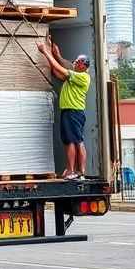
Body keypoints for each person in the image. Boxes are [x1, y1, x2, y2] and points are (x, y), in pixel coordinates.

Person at [37, 37, 91, 180]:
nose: (75, 63)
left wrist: (45, 52)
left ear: (84, 66)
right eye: (76, 61)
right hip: (69, 111)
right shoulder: (73, 77)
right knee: (71, 141)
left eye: (78, 62)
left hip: (73, 111)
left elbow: (61, 68)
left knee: (74, 141)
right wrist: (53, 53)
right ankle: (72, 169)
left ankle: (75, 171)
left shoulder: (82, 77)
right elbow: (57, 72)